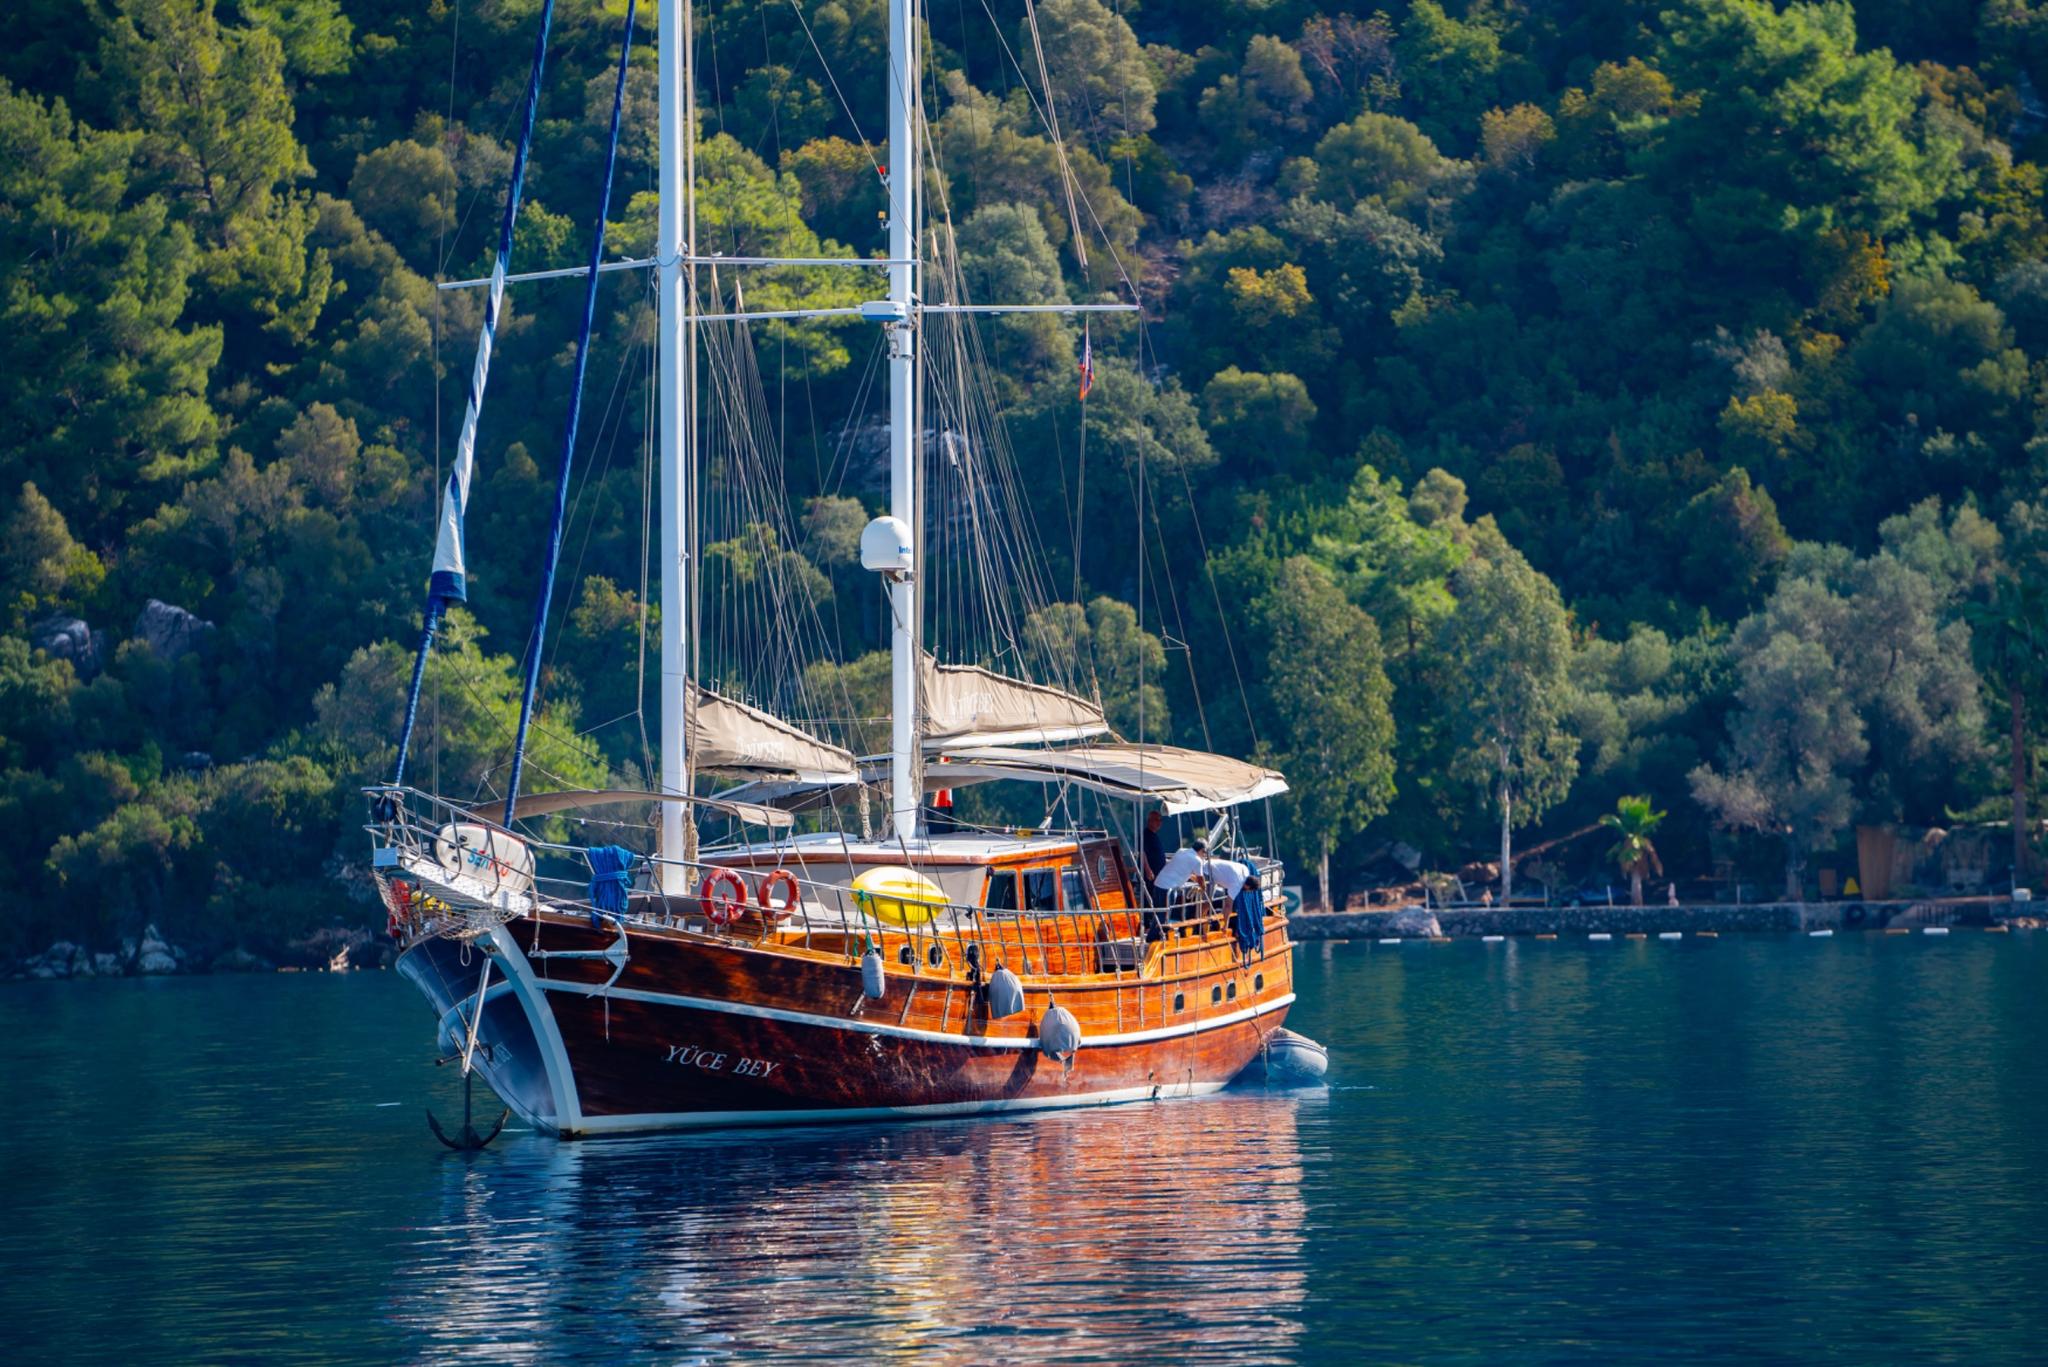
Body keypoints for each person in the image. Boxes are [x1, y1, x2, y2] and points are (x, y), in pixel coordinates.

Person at [1142, 811, 1167, 904]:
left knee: (1156, 899)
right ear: (1149, 821)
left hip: (1158, 875)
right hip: (1151, 876)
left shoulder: (1154, 835)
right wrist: (1148, 870)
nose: (1159, 822)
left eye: (1160, 820)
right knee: (1149, 898)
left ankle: (1153, 916)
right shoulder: (1146, 835)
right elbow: (1142, 852)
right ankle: (1148, 917)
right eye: (1156, 820)